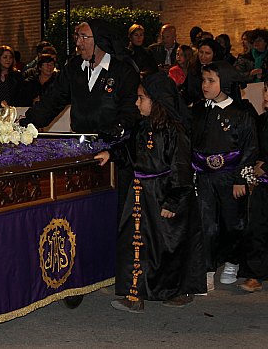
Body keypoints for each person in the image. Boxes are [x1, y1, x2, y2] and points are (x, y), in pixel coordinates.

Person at [96, 72, 206, 313]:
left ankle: (178, 290)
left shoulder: (175, 132)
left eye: (141, 98)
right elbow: (131, 152)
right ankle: (135, 295)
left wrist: (172, 201)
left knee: (167, 246)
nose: (137, 103)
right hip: (139, 196)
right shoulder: (143, 127)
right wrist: (111, 154)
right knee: (135, 244)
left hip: (163, 195)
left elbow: (180, 168)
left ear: (157, 100)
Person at [19, 19, 140, 218]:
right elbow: (53, 100)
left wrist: (113, 138)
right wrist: (26, 124)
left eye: (84, 37)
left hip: (114, 155)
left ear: (100, 40)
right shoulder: (74, 67)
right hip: (81, 152)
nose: (78, 42)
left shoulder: (123, 71)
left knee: (113, 215)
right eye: (77, 36)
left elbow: (129, 112)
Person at [191, 60, 258, 293]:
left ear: (225, 83)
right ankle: (207, 269)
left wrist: (241, 178)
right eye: (203, 80)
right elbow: (192, 142)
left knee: (233, 223)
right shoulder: (199, 110)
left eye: (211, 81)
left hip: (231, 178)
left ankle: (232, 261)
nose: (205, 85)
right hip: (204, 176)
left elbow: (250, 148)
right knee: (205, 223)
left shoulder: (241, 114)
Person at [238, 81, 268, 292]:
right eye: (266, 89)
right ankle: (255, 274)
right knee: (257, 226)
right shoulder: (262, 119)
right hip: (262, 183)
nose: (265, 94)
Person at [182, 38, 223, 106]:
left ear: (214, 54)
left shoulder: (221, 71)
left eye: (207, 53)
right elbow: (187, 91)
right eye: (201, 52)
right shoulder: (193, 69)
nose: (203, 56)